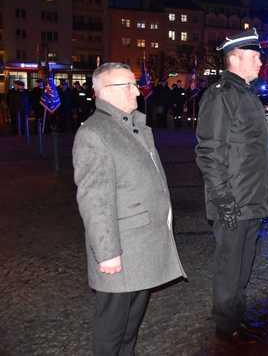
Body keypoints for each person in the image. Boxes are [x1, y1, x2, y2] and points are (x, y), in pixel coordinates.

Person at [72, 63, 185, 355]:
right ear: (106, 92)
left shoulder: (133, 124)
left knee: (131, 325)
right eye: (129, 85)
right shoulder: (95, 133)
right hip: (120, 248)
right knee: (112, 329)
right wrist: (107, 253)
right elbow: (94, 200)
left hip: (142, 244)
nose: (137, 90)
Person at [195, 28, 268, 344]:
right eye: (255, 57)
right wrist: (224, 201)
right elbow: (209, 152)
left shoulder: (245, 93)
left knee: (243, 268)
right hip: (234, 202)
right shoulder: (221, 95)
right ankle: (226, 328)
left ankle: (236, 320)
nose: (260, 63)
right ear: (236, 58)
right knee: (229, 270)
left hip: (251, 199)